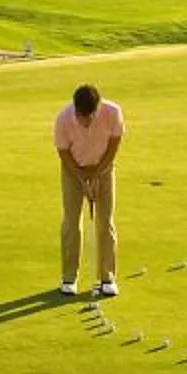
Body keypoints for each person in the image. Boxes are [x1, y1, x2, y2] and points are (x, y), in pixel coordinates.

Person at [52, 84, 126, 297]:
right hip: (73, 170)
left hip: (103, 167)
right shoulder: (63, 119)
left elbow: (114, 146)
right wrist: (83, 179)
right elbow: (63, 153)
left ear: (98, 109)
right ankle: (69, 278)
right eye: (80, 116)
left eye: (89, 118)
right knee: (71, 221)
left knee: (105, 220)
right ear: (74, 109)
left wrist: (96, 174)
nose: (84, 122)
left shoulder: (113, 113)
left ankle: (107, 278)